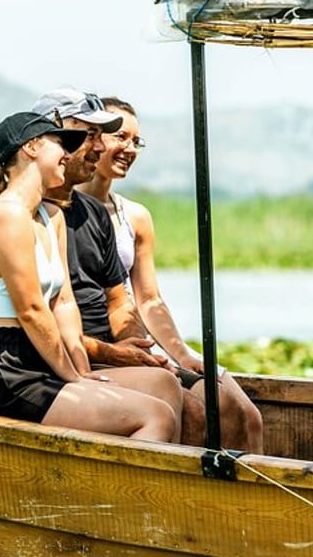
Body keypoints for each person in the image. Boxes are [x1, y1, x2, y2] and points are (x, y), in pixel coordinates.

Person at [0, 110, 181, 442]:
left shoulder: (51, 216)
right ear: (32, 147)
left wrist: (81, 369)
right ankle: (124, 494)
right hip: (7, 368)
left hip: (47, 359)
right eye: (60, 144)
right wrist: (73, 377)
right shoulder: (6, 215)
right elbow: (32, 311)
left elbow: (63, 303)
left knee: (162, 384)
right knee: (155, 416)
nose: (69, 155)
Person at [76, 96, 264, 452]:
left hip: (143, 335)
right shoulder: (64, 211)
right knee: (203, 412)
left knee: (244, 412)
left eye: (136, 141)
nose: (128, 149)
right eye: (120, 137)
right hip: (99, 339)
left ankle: (249, 501)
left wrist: (180, 354)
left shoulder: (135, 216)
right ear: (94, 140)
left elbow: (148, 299)